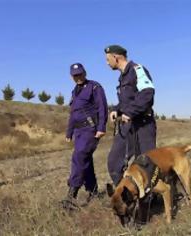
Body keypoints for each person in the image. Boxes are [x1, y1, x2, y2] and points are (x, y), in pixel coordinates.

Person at [104, 45, 157, 225]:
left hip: (142, 125)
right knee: (114, 163)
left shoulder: (137, 70)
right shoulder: (122, 78)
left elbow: (148, 93)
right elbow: (125, 102)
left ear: (116, 57)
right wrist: (115, 110)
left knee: (146, 165)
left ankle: (146, 204)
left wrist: (132, 112)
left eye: (107, 58)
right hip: (127, 127)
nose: (106, 62)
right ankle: (127, 197)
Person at [63, 63, 108, 208]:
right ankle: (93, 191)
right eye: (75, 75)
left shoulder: (95, 87)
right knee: (85, 160)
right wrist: (69, 132)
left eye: (80, 74)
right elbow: (73, 114)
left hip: (90, 129)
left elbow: (102, 108)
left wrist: (101, 127)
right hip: (78, 132)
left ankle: (71, 194)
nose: (78, 77)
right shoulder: (74, 91)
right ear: (71, 77)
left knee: (79, 156)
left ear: (85, 73)